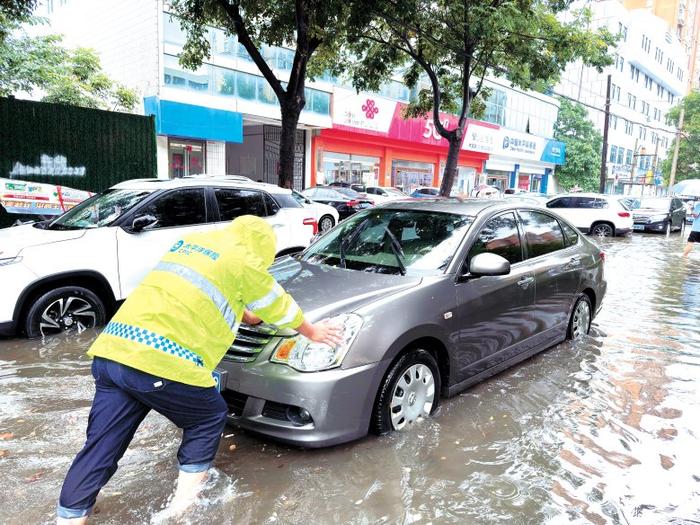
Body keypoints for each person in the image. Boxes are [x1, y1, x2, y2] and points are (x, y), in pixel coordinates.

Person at [57, 215, 343, 524]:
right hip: (159, 361)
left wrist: (251, 314)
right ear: (261, 250)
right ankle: (183, 510)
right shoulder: (244, 260)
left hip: (112, 353)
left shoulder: (190, 245)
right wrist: (313, 332)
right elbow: (279, 305)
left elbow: (225, 303)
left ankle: (71, 515)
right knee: (208, 416)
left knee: (101, 444)